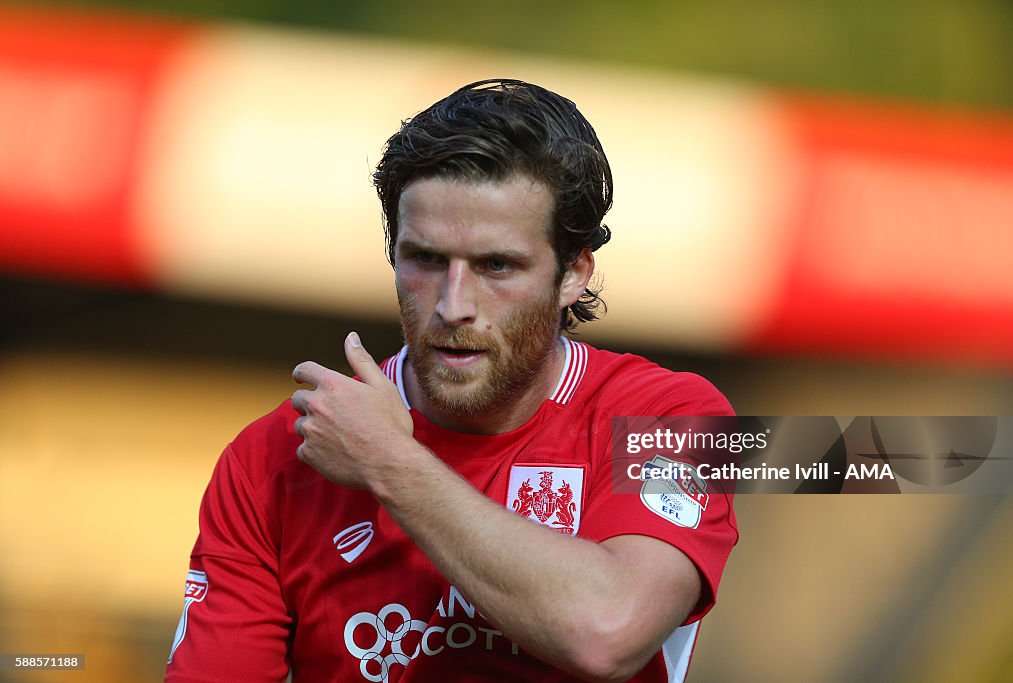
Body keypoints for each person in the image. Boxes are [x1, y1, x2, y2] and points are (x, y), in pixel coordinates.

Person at [165, 79, 738, 683]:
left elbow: (608, 633)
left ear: (572, 275)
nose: (453, 305)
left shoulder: (679, 416)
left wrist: (389, 462)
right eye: (427, 260)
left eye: (497, 265)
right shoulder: (275, 454)